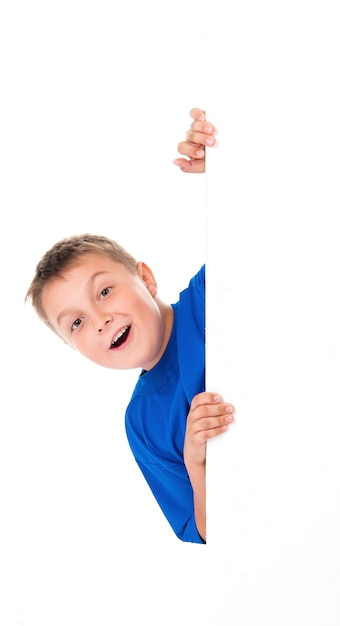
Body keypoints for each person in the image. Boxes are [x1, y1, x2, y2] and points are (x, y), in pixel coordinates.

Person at [25, 108, 235, 544]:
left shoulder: (210, 295)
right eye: (77, 322)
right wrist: (197, 462)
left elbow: (270, 229)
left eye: (104, 292)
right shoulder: (143, 421)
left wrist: (229, 168)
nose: (100, 321)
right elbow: (213, 535)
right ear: (74, 347)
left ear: (147, 278)